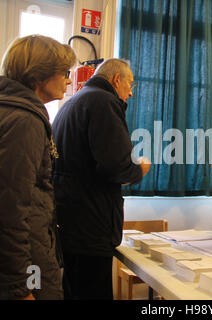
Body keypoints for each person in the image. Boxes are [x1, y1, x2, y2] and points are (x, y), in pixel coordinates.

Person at [52, 58, 151, 300]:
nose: (130, 92)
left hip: (69, 218)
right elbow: (116, 166)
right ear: (116, 80)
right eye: (130, 84)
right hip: (91, 222)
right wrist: (139, 169)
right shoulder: (104, 102)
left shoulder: (71, 102)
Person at [0, 35, 76, 300]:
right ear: (40, 75)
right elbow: (11, 209)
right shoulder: (25, 121)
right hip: (27, 262)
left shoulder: (12, 110)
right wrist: (20, 288)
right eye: (64, 72)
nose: (68, 80)